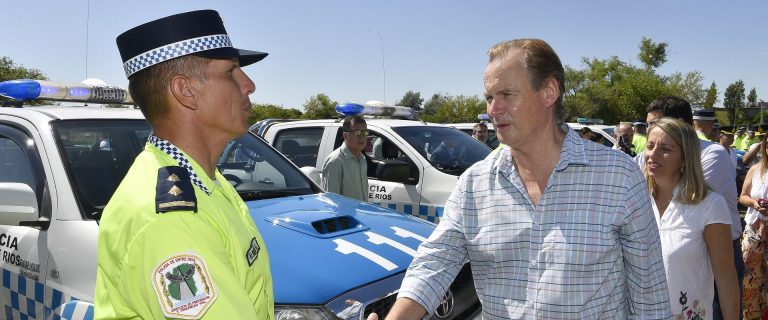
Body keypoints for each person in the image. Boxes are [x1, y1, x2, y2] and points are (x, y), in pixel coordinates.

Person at [372, 38, 671, 320]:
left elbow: (650, 298)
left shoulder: (618, 177)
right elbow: (433, 266)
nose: (492, 110)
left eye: (506, 95)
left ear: (549, 93)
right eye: (489, 97)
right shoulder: (474, 185)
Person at [95, 10, 274, 319]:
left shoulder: (203, 179)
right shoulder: (169, 220)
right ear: (185, 91)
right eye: (231, 72)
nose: (249, 85)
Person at [639, 96, 743, 320]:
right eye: (650, 146)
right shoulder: (634, 200)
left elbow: (725, 276)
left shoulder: (709, 205)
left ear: (685, 159)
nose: (653, 155)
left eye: (665, 149)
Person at [739, 137, 768, 319]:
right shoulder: (756, 169)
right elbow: (742, 196)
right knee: (749, 275)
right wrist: (755, 204)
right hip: (754, 230)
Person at [321, 115, 369, 202]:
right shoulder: (335, 161)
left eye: (364, 132)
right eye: (357, 132)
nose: (362, 137)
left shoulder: (362, 159)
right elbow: (331, 202)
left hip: (361, 215)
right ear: (345, 135)